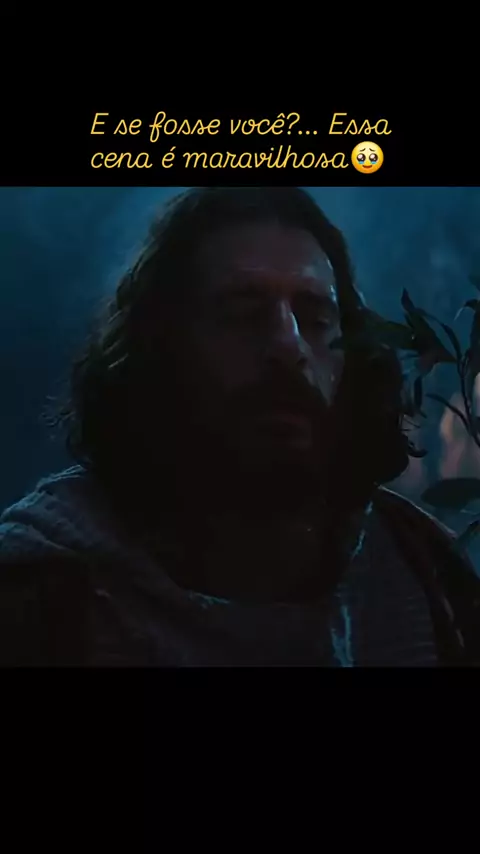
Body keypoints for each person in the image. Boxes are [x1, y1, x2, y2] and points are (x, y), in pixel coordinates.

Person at [0, 186, 479, 667]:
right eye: (243, 315)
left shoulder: (423, 570)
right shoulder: (44, 588)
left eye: (315, 319)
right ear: (162, 348)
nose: (289, 345)